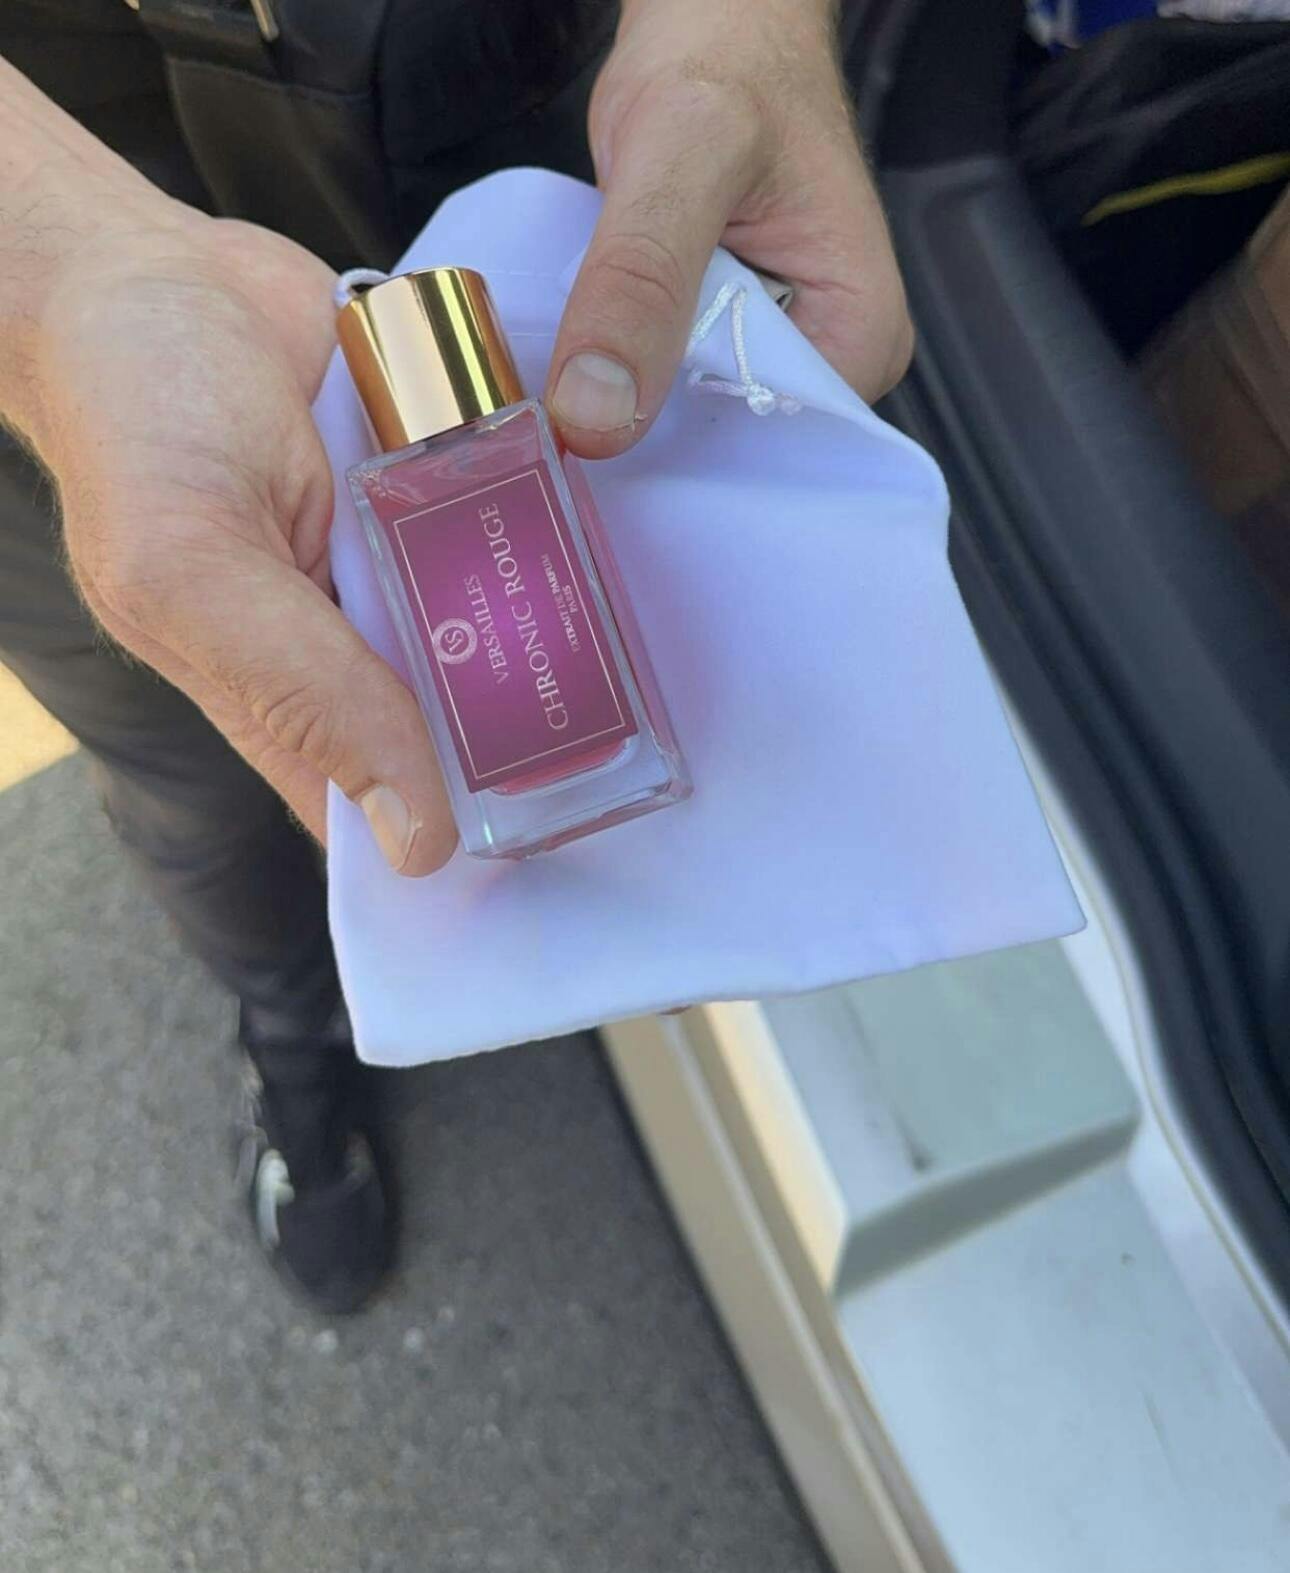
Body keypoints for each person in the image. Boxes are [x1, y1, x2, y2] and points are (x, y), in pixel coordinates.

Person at [0, 0, 911, 1312]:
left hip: (476, 84)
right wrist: (41, 282)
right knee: (188, 764)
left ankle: (539, 940)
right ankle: (295, 1023)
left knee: (627, 621)